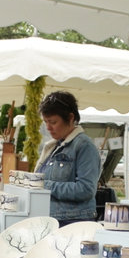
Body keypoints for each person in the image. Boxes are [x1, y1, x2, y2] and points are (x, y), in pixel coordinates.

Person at [34, 91, 101, 226]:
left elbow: (86, 189)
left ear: (70, 118)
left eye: (53, 122)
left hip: (72, 224)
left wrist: (43, 185)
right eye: (46, 122)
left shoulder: (84, 146)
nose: (48, 127)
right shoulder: (55, 146)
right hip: (55, 221)